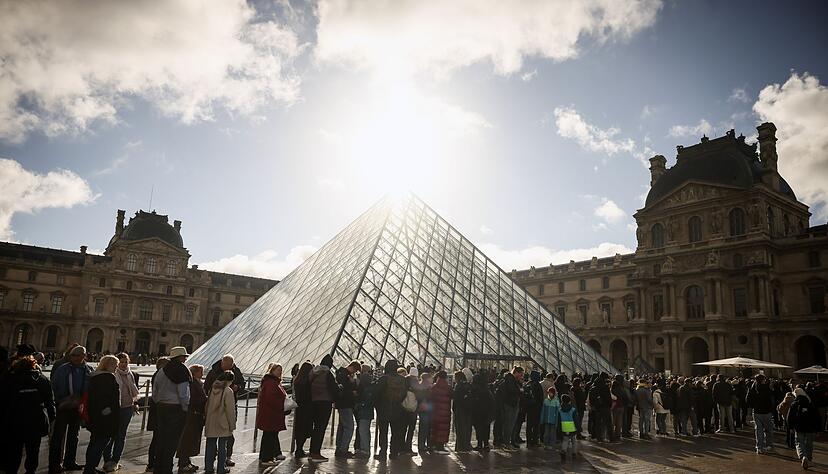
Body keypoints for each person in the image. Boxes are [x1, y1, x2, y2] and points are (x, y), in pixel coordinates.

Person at [2, 355, 56, 474]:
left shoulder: (9, 379)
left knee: (14, 450)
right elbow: (50, 402)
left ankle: (11, 470)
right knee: (33, 450)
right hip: (36, 421)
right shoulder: (42, 379)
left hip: (14, 421)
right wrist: (52, 420)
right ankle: (30, 471)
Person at [50, 345, 93, 473]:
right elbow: (54, 386)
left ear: (84, 356)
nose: (74, 358)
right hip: (63, 406)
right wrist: (60, 400)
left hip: (78, 407)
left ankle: (70, 461)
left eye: (77, 355)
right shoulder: (63, 369)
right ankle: (55, 464)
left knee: (74, 436)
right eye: (72, 355)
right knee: (58, 436)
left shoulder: (89, 370)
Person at [152, 347, 192, 474]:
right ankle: (166, 469)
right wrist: (185, 408)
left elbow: (155, 392)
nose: (185, 359)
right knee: (172, 441)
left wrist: (159, 402)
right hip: (176, 409)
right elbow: (183, 394)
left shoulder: (161, 371)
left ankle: (157, 468)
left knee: (161, 439)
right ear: (180, 357)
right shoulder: (182, 370)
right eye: (184, 356)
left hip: (161, 407)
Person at [204, 355, 245, 467]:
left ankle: (224, 458)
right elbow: (206, 388)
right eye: (226, 366)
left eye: (230, 367)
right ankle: (219, 464)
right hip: (220, 410)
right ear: (222, 363)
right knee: (222, 440)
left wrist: (238, 387)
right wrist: (232, 425)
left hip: (214, 411)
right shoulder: (213, 373)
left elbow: (242, 384)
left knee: (216, 439)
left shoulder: (236, 371)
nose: (228, 369)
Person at [100, 353, 139, 472]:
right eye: (121, 362)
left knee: (121, 435)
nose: (123, 364)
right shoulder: (112, 375)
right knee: (110, 435)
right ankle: (107, 460)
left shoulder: (131, 374)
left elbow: (133, 391)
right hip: (114, 409)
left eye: (125, 362)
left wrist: (134, 404)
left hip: (127, 407)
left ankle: (115, 460)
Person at [83, 355, 121, 474]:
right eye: (115, 365)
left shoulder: (95, 377)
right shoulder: (107, 378)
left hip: (94, 416)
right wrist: (108, 410)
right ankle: (90, 469)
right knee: (100, 443)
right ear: (109, 365)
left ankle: (90, 467)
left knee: (94, 442)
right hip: (105, 418)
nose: (116, 368)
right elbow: (109, 399)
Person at [204, 371, 237, 474]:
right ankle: (221, 468)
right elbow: (230, 410)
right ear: (229, 381)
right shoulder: (228, 391)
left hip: (211, 421)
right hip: (223, 422)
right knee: (223, 446)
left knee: (210, 445)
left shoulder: (212, 389)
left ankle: (208, 467)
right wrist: (232, 425)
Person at [375, 359, 408, 459]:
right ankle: (394, 453)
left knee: (383, 433)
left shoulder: (383, 379)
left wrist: (378, 406)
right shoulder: (403, 379)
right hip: (398, 409)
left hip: (384, 409)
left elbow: (377, 393)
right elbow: (404, 394)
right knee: (396, 433)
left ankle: (383, 453)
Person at [177, 364, 207, 472]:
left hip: (195, 414)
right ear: (195, 373)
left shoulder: (196, 383)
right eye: (201, 371)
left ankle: (187, 462)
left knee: (190, 440)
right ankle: (183, 464)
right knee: (188, 440)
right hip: (193, 414)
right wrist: (205, 400)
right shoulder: (193, 383)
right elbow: (193, 399)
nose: (202, 374)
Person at [309, 354, 338, 462]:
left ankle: (312, 452)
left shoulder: (313, 372)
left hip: (313, 402)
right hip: (325, 403)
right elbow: (333, 389)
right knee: (321, 428)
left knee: (316, 428)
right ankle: (316, 453)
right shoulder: (328, 374)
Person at [257, 363, 288, 465]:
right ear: (272, 370)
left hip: (270, 413)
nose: (279, 372)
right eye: (277, 370)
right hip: (271, 414)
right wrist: (283, 406)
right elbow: (271, 399)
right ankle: (267, 458)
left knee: (268, 435)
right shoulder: (272, 382)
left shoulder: (271, 381)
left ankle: (264, 457)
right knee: (270, 436)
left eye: (280, 370)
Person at [787, 386, 822, 470]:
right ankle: (809, 459)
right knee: (809, 444)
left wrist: (790, 427)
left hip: (799, 427)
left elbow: (789, 417)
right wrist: (818, 429)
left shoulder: (794, 403)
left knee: (799, 442)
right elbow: (817, 417)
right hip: (810, 427)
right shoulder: (810, 403)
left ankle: (803, 456)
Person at [145, 357, 169, 472]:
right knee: (157, 439)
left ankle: (152, 463)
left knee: (157, 438)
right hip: (158, 411)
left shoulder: (157, 375)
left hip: (156, 411)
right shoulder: (160, 375)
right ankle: (152, 463)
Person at [334, 361, 360, 458]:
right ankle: (343, 450)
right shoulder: (344, 376)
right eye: (355, 370)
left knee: (342, 427)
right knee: (349, 427)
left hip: (342, 404)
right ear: (352, 367)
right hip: (346, 404)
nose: (355, 372)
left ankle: (339, 448)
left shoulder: (341, 374)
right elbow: (344, 390)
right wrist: (352, 392)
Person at [746, 374, 775, 454]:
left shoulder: (752, 388)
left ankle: (759, 447)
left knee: (758, 430)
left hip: (757, 411)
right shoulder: (767, 388)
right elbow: (771, 399)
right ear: (763, 380)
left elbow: (748, 400)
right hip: (767, 411)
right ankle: (769, 445)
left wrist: (752, 406)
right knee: (768, 430)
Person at [495, 366, 523, 449]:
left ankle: (506, 442)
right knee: (509, 425)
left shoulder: (509, 379)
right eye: (520, 374)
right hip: (510, 405)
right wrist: (520, 390)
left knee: (509, 424)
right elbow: (513, 391)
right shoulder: (510, 380)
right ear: (516, 373)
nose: (521, 376)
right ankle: (507, 443)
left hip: (509, 404)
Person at [292, 361, 314, 458]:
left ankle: (298, 449)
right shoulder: (308, 381)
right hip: (307, 407)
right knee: (305, 429)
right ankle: (299, 450)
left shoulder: (297, 380)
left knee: (300, 429)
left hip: (299, 407)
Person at [470, 370, 495, 452]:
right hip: (486, 413)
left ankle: (480, 444)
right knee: (486, 428)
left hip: (477, 413)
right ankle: (486, 444)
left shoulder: (474, 390)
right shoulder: (487, 390)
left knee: (479, 429)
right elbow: (491, 403)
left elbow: (473, 402)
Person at [354, 367, 376, 458]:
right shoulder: (370, 388)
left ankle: (365, 450)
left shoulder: (367, 390)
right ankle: (365, 449)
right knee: (365, 431)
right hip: (367, 413)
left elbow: (367, 402)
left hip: (365, 413)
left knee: (363, 431)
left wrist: (360, 405)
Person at [430, 370, 452, 454]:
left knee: (435, 428)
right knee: (443, 429)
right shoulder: (448, 387)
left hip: (436, 411)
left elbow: (430, 397)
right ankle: (441, 446)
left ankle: (434, 445)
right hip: (445, 411)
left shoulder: (434, 387)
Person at [452, 369, 473, 452]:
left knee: (460, 428)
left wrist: (454, 409)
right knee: (467, 427)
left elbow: (456, 399)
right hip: (468, 409)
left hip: (460, 410)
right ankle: (466, 445)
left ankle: (460, 446)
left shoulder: (458, 386)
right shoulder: (468, 385)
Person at [414, 371, 434, 454]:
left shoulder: (420, 386)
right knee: (425, 427)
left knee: (424, 427)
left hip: (423, 409)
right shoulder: (427, 387)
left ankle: (422, 445)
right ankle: (423, 445)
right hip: (426, 409)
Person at [524, 370, 544, 447]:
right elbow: (540, 398)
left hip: (529, 408)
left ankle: (529, 441)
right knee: (535, 425)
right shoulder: (537, 385)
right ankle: (534, 441)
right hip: (536, 408)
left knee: (529, 425)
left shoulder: (528, 384)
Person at [559, 393, 579, 461]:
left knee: (565, 440)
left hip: (564, 427)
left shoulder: (560, 410)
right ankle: (574, 453)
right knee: (574, 441)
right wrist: (578, 427)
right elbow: (576, 419)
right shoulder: (573, 410)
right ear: (569, 401)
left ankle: (563, 451)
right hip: (572, 427)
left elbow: (558, 420)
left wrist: (559, 428)